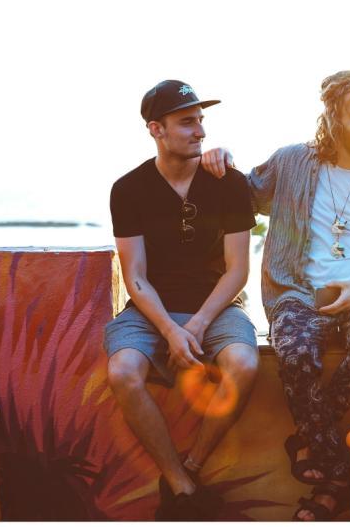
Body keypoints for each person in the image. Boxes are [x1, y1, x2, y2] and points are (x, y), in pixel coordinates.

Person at [202, 70, 350, 520]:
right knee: (296, 352)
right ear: (334, 115)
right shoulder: (291, 163)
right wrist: (220, 158)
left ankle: (308, 441)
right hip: (297, 290)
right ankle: (338, 473)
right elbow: (241, 193)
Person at [104, 80, 259, 520]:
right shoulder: (128, 189)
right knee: (123, 371)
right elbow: (134, 276)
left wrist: (196, 324)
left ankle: (191, 466)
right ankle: (180, 484)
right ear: (156, 129)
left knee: (245, 365)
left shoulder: (228, 183)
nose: (201, 131)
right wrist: (170, 330)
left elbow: (237, 270)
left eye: (201, 121)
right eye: (187, 122)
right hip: (151, 308)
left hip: (217, 305)